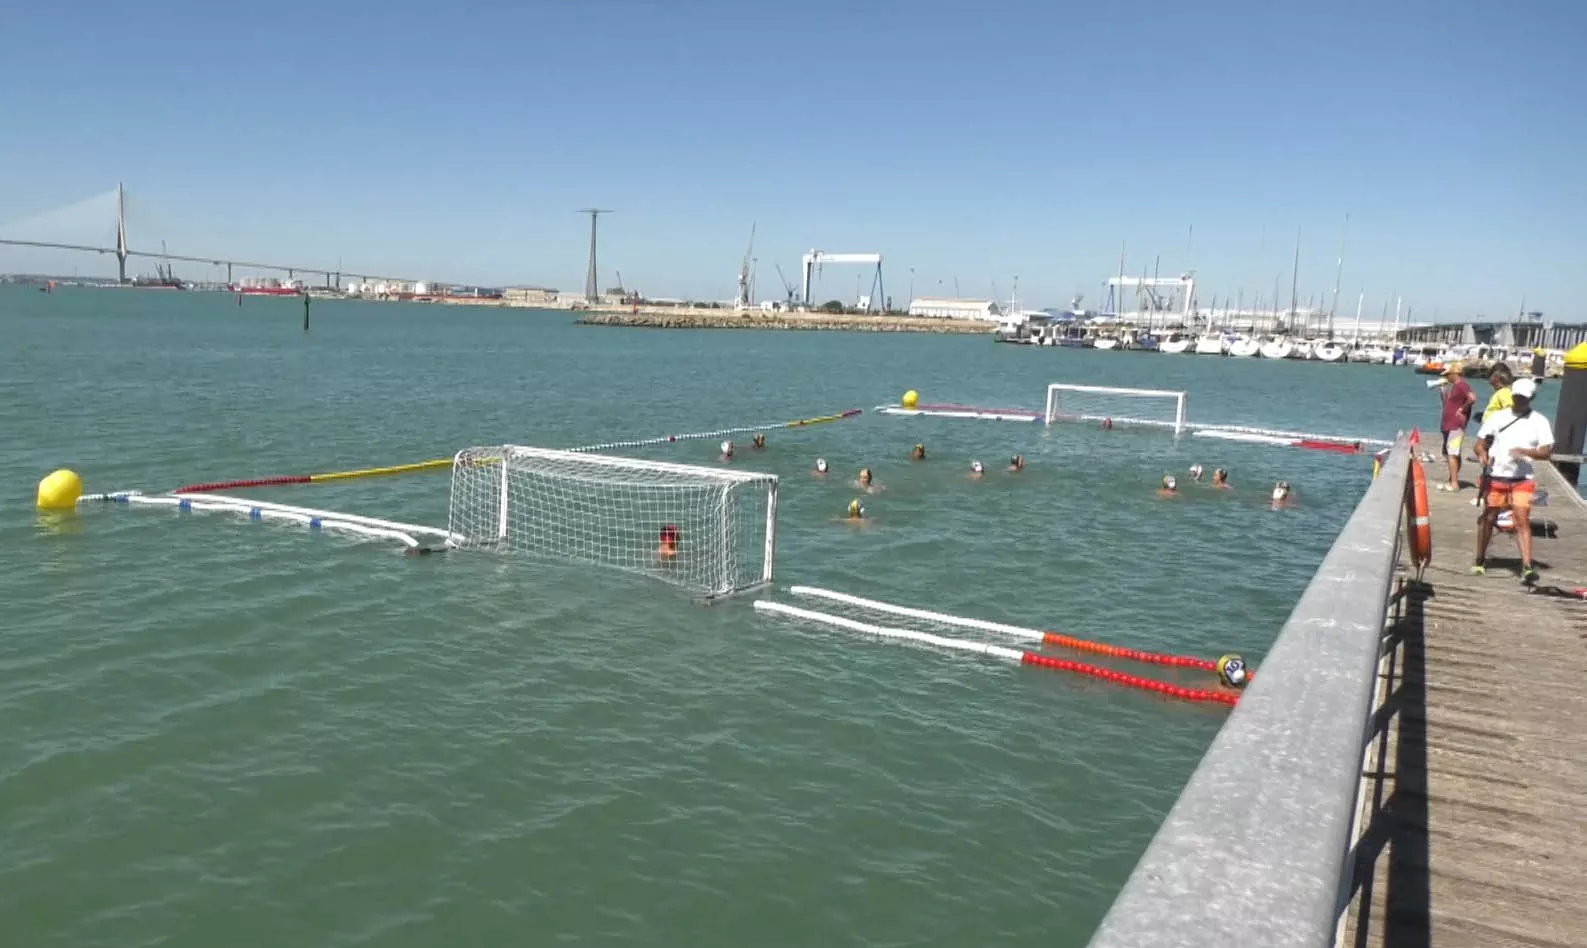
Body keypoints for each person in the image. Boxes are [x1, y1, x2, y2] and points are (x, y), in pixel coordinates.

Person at [1473, 377, 1553, 583]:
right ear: (1512, 396)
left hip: (1522, 478)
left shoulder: (1539, 421)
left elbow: (1546, 451)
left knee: (1521, 519)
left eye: (1524, 398)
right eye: (1517, 397)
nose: (1520, 401)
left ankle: (1526, 566)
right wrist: (1482, 455)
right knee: (1489, 517)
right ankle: (1479, 560)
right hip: (1496, 475)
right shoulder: (1498, 417)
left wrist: (1525, 452)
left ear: (1531, 398)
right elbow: (1479, 444)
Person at [1473, 363, 1516, 509]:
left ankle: (1494, 495)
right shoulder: (1500, 393)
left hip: (1495, 435)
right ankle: (1488, 492)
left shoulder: (1504, 393)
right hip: (1490, 433)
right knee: (1485, 459)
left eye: (1491, 376)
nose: (1488, 379)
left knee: (1490, 461)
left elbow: (1509, 410)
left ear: (1497, 378)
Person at [1437, 363, 1476, 491]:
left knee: (1452, 453)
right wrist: (1443, 392)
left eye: (1448, 374)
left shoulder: (1462, 385)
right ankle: (1451, 480)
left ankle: (1454, 483)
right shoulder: (1454, 387)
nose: (1446, 377)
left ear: (1454, 373)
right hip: (1448, 424)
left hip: (1456, 425)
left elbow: (1472, 398)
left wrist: (1462, 409)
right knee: (1449, 453)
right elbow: (1446, 404)